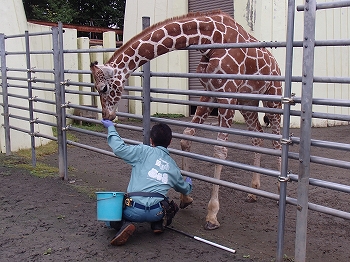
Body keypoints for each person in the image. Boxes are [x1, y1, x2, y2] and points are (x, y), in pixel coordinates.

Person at [101, 120, 193, 246]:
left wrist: (111, 128)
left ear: (151, 140)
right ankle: (158, 223)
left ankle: (125, 224)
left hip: (133, 210)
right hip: (157, 211)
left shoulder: (142, 151)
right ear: (170, 142)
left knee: (108, 210)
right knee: (167, 202)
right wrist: (189, 183)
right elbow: (184, 189)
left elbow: (119, 149)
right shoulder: (173, 166)